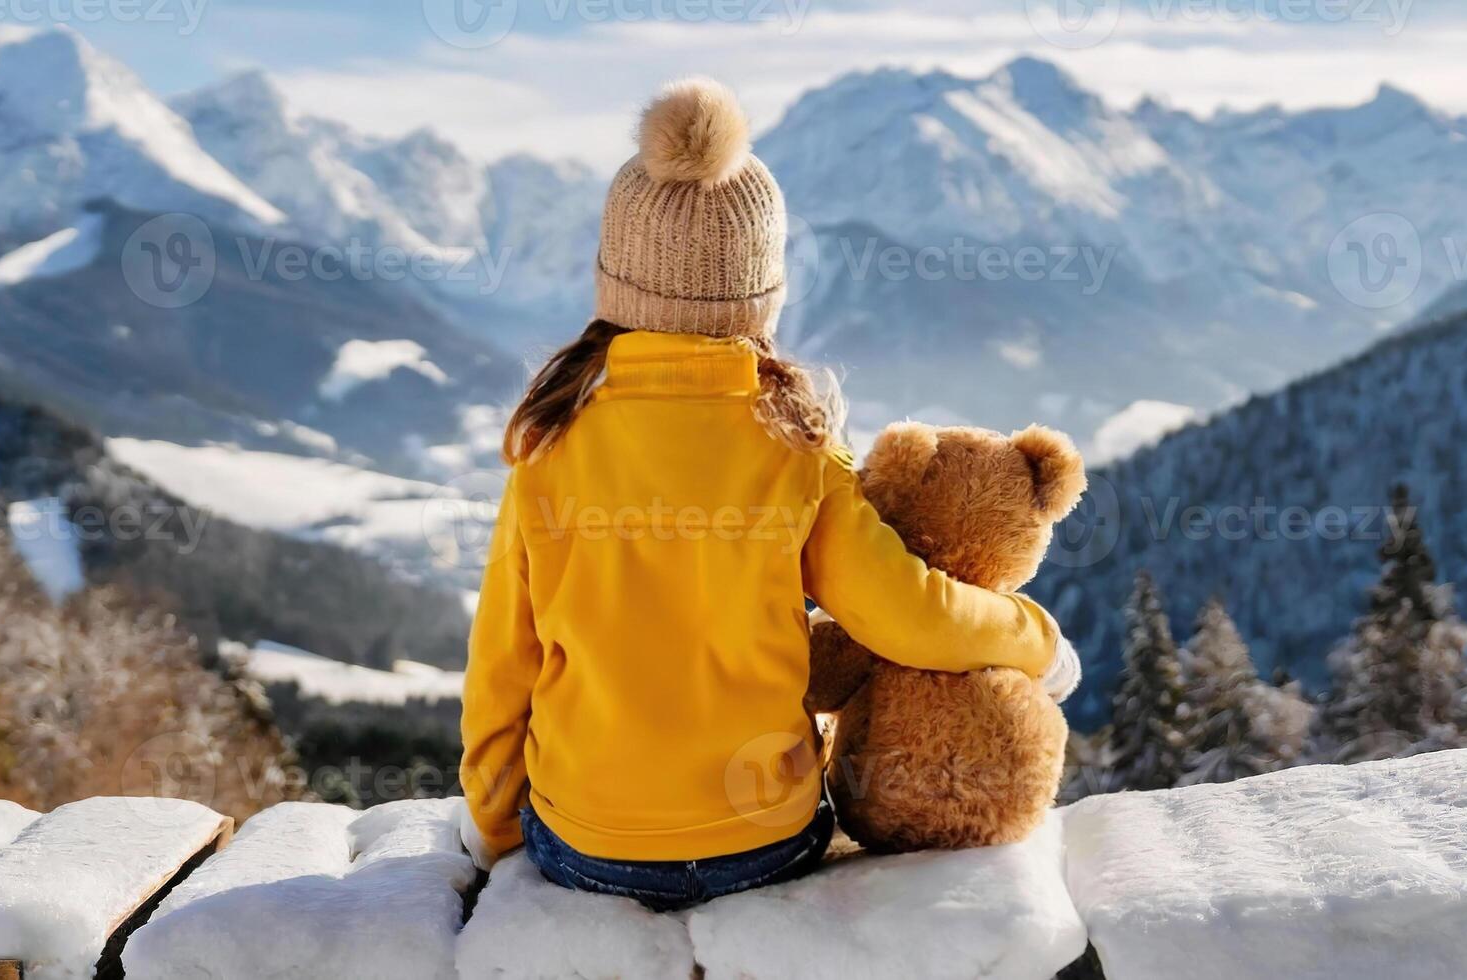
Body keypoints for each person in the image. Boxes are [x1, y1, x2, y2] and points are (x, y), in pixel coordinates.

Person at [457, 77, 1079, 911]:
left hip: (586, 850)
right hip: (762, 843)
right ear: (760, 292)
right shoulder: (796, 450)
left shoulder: (549, 450)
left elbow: (502, 669)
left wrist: (502, 833)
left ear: (614, 284)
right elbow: (907, 618)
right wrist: (1035, 637)